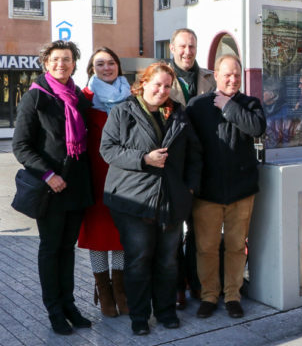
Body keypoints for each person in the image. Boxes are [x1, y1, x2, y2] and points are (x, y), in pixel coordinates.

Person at [100, 62, 202, 335]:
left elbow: (194, 154)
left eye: (167, 86)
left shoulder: (178, 113)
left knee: (168, 260)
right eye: (157, 84)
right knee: (139, 259)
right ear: (143, 83)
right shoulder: (124, 111)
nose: (162, 90)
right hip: (134, 201)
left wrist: (189, 188)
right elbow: (107, 149)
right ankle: (140, 317)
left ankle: (166, 311)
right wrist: (144, 159)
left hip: (171, 200)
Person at [12, 40, 94, 335]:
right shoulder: (36, 98)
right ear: (46, 63)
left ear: (74, 64)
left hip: (77, 187)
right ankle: (55, 311)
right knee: (51, 249)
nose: (62, 64)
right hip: (51, 189)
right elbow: (20, 145)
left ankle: (70, 304)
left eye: (67, 59)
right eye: (56, 59)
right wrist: (47, 174)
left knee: (67, 250)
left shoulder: (78, 98)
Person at [187, 55, 266, 319]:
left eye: (236, 75)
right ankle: (209, 295)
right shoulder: (197, 106)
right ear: (216, 76)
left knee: (235, 245)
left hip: (241, 190)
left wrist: (229, 106)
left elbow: (256, 127)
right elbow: (189, 146)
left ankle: (233, 294)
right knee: (206, 247)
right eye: (227, 75)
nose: (232, 79)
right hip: (207, 192)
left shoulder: (249, 104)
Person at [78, 47, 132, 317]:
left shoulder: (132, 97)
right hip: (94, 178)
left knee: (120, 235)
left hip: (125, 178)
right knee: (99, 236)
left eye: (111, 62)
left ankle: (120, 289)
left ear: (119, 66)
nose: (107, 68)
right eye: (100, 64)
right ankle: (103, 288)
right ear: (92, 69)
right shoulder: (84, 98)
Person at [167, 28, 215, 309]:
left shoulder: (210, 78)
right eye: (182, 46)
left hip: (204, 165)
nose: (187, 52)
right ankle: (177, 286)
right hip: (173, 167)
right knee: (173, 233)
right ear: (172, 48)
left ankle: (198, 283)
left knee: (200, 231)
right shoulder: (160, 77)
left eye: (192, 47)